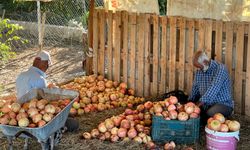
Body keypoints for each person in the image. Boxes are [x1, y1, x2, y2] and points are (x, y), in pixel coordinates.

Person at [16, 50, 79, 132]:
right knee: (73, 123)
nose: (47, 66)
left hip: (19, 112)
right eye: (47, 63)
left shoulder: (21, 75)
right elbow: (44, 100)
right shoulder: (39, 79)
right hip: (35, 115)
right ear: (39, 62)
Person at [188, 50, 234, 122]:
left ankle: (224, 119)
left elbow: (213, 89)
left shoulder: (220, 69)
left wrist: (197, 105)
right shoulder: (199, 71)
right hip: (206, 104)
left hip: (223, 104)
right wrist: (190, 102)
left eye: (199, 67)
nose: (198, 69)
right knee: (196, 114)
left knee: (210, 113)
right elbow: (195, 88)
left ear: (205, 62)